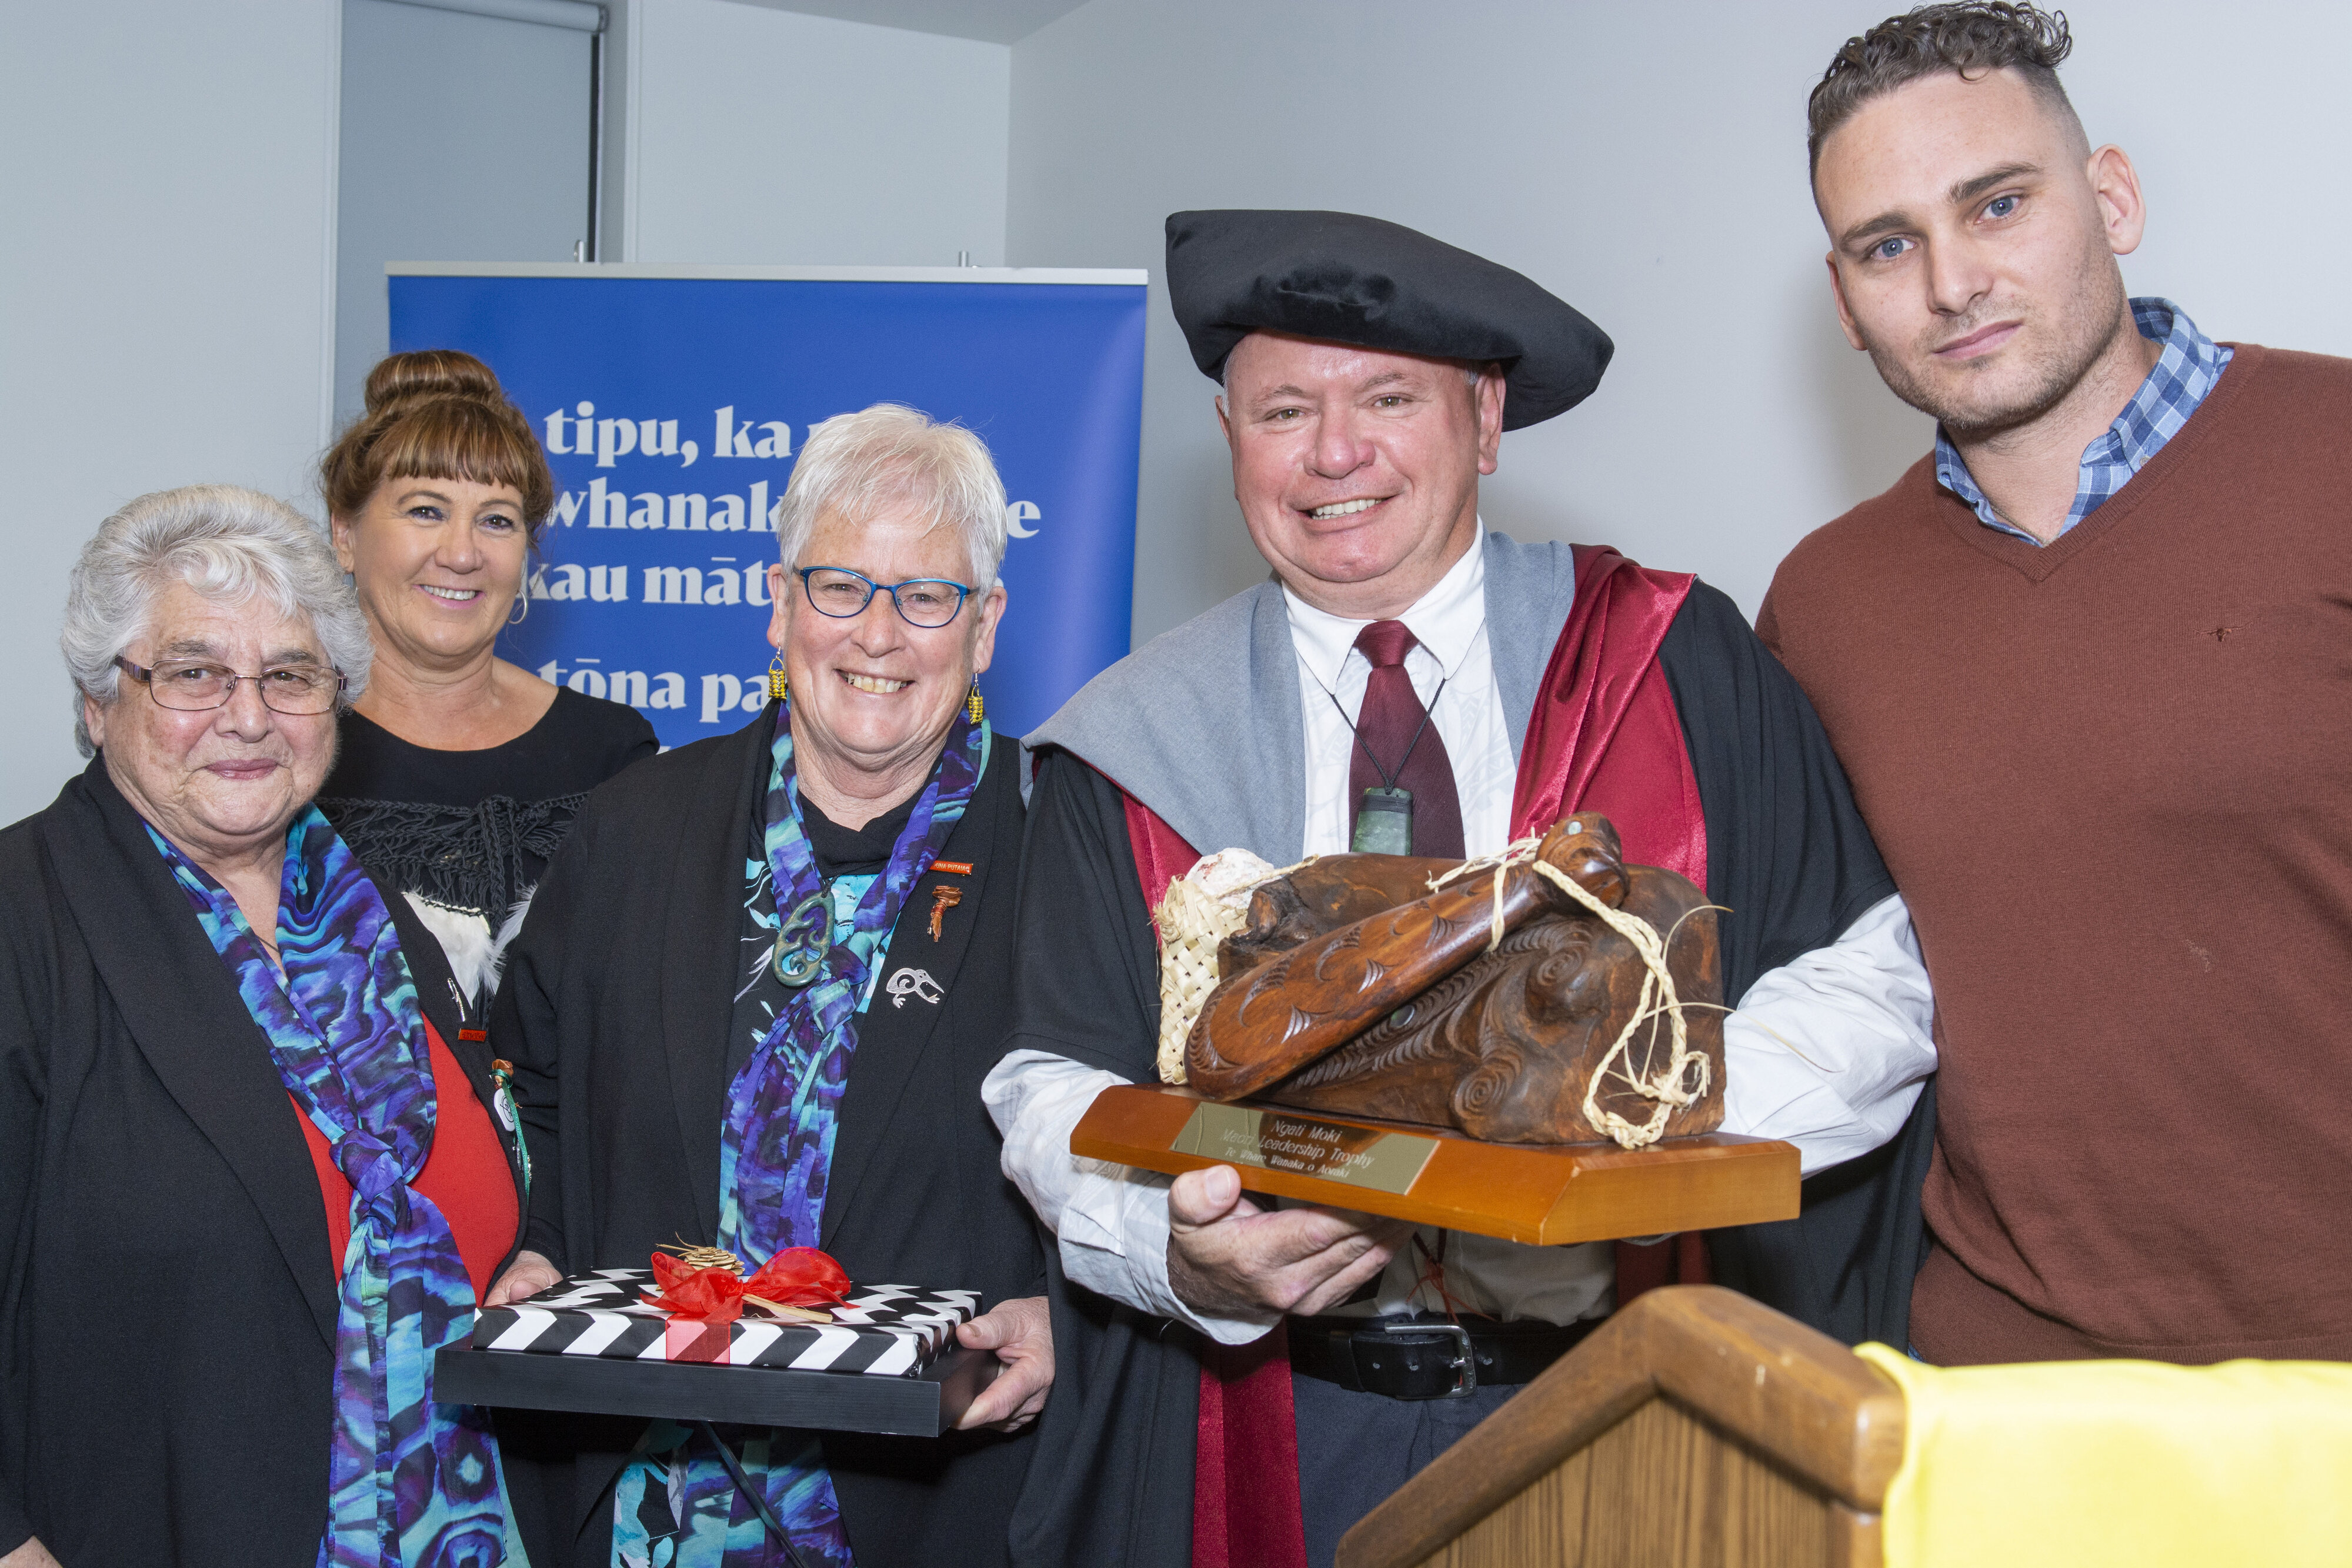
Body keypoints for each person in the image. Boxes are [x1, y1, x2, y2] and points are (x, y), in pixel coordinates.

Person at [989, 209, 1940, 1568]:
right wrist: (1169, 1246)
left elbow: (1875, 972)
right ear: (1228, 439)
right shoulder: (1132, 742)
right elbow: (1045, 1076)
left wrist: (1645, 1115)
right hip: (1282, 1425)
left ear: (1485, 420)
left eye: (1387, 397)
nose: (1333, 451)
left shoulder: (1670, 658)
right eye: (1282, 409)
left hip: (1625, 1398)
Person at [1762, 2, 2352, 1365]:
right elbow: (1832, 1000)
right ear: (1846, 302)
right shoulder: (1824, 603)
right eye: (1888, 244)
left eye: (1998, 204)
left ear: (2113, 197)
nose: (1952, 282)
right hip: (2005, 1394)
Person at [488, 405, 1054, 1568]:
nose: (879, 633)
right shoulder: (631, 827)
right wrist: (538, 1241)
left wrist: (1073, 1322)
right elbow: (536, 1083)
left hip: (949, 1497)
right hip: (655, 1491)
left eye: (926, 595)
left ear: (985, 625)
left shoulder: (1067, 846)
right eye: (840, 584)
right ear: (780, 600)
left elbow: (1136, 1152)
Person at [0, 486, 531, 1568]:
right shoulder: (21, 920)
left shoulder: (371, 913)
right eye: (193, 673)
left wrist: (518, 1258)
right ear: (101, 701)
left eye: (289, 676)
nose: (248, 716)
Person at [319, 349, 656, 1014]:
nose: (464, 552)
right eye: (425, 510)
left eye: (497, 519)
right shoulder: (279, 740)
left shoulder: (610, 751)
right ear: (344, 534)